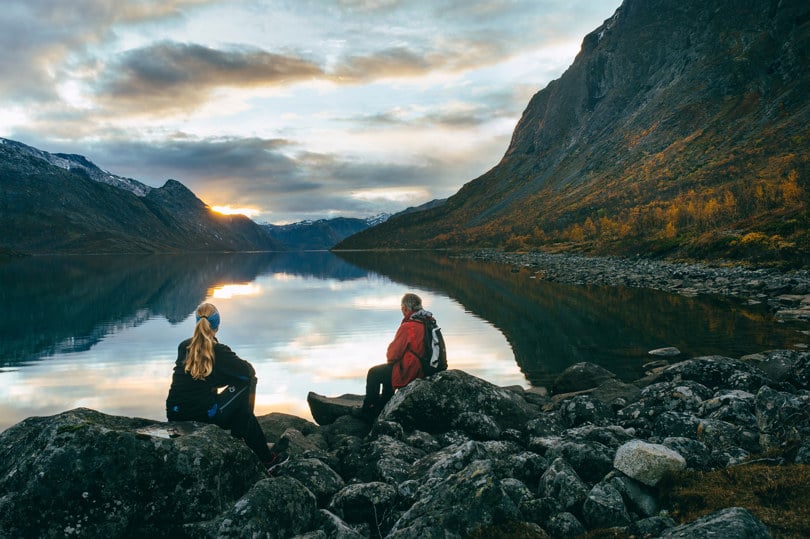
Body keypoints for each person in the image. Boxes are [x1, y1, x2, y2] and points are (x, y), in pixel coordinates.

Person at [165, 302, 287, 472]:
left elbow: (198, 377)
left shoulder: (184, 346)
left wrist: (218, 378)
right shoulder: (218, 350)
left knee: (229, 391)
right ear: (217, 325)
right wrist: (227, 377)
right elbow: (248, 371)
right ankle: (266, 459)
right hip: (202, 416)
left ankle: (247, 436)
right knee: (246, 382)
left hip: (174, 414)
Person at [359, 292, 431, 419]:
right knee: (391, 371)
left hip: (413, 371)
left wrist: (392, 361)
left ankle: (367, 411)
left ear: (405, 308)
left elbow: (393, 353)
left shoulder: (409, 326)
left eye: (402, 308)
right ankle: (383, 406)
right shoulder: (429, 322)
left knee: (375, 373)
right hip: (427, 368)